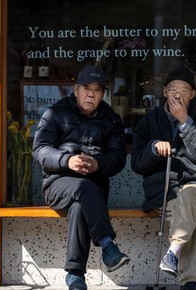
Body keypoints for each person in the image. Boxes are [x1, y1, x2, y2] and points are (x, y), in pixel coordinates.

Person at [32, 65, 130, 290]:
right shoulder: (56, 113)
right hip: (57, 185)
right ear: (76, 90)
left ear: (103, 94)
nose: (91, 94)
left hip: (93, 187)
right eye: (86, 88)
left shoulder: (111, 119)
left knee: (80, 207)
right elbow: (40, 149)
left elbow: (118, 158)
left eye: (97, 90)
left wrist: (97, 164)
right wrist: (66, 160)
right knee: (83, 189)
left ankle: (75, 275)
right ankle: (107, 245)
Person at [131, 66, 196, 290]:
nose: (178, 95)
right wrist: (153, 149)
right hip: (163, 191)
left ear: (192, 94)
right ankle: (188, 280)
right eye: (173, 90)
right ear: (164, 92)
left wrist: (185, 123)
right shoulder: (150, 121)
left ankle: (173, 254)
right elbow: (136, 164)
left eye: (184, 90)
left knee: (188, 199)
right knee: (185, 212)